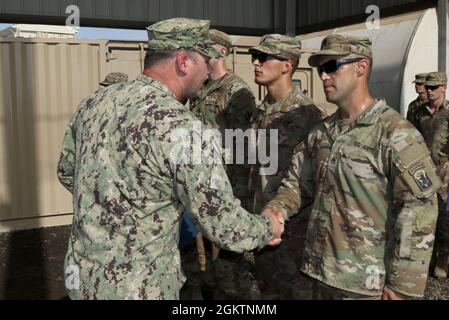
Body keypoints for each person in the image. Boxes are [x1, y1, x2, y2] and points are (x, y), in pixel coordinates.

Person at [57, 17, 284, 300]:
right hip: (139, 287)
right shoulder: (181, 126)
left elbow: (68, 171)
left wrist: (114, 204)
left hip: (82, 280)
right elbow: (224, 226)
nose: (206, 73)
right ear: (183, 62)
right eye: (204, 62)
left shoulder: (93, 104)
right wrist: (268, 227)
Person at [263, 34, 440, 299]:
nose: (323, 76)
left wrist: (404, 286)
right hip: (317, 274)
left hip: (364, 286)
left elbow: (418, 209)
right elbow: (297, 185)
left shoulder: (395, 133)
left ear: (361, 67)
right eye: (321, 69)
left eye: (332, 66)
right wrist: (274, 211)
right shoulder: (321, 133)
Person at [248, 34, 327, 299]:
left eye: (264, 57)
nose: (256, 63)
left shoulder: (308, 115)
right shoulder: (261, 112)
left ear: (287, 65)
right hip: (264, 228)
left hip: (295, 236)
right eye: (255, 57)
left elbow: (315, 180)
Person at [184, 29, 259, 299]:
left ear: (222, 52)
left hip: (229, 184)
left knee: (232, 256)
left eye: (207, 47)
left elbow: (245, 146)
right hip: (203, 183)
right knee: (205, 254)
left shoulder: (236, 90)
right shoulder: (201, 89)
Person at [410, 71, 449, 279]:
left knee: (445, 216)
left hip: (445, 172)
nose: (429, 91)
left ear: (444, 87)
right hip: (423, 170)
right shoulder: (419, 111)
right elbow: (412, 137)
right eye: (428, 87)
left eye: (434, 87)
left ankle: (442, 259)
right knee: (423, 214)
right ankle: (424, 257)